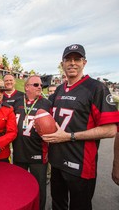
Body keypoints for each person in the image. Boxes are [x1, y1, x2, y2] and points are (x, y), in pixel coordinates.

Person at [42, 44, 119, 210]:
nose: (72, 63)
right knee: (57, 204)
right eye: (68, 59)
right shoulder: (59, 89)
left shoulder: (96, 88)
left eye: (77, 59)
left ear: (84, 62)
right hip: (56, 162)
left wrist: (70, 136)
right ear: (62, 63)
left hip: (80, 165)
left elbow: (111, 130)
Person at [13, 75, 51, 210]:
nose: (40, 87)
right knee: (19, 185)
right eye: (36, 85)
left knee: (39, 187)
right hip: (19, 151)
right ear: (26, 87)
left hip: (38, 153)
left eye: (40, 85)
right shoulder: (17, 102)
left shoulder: (46, 103)